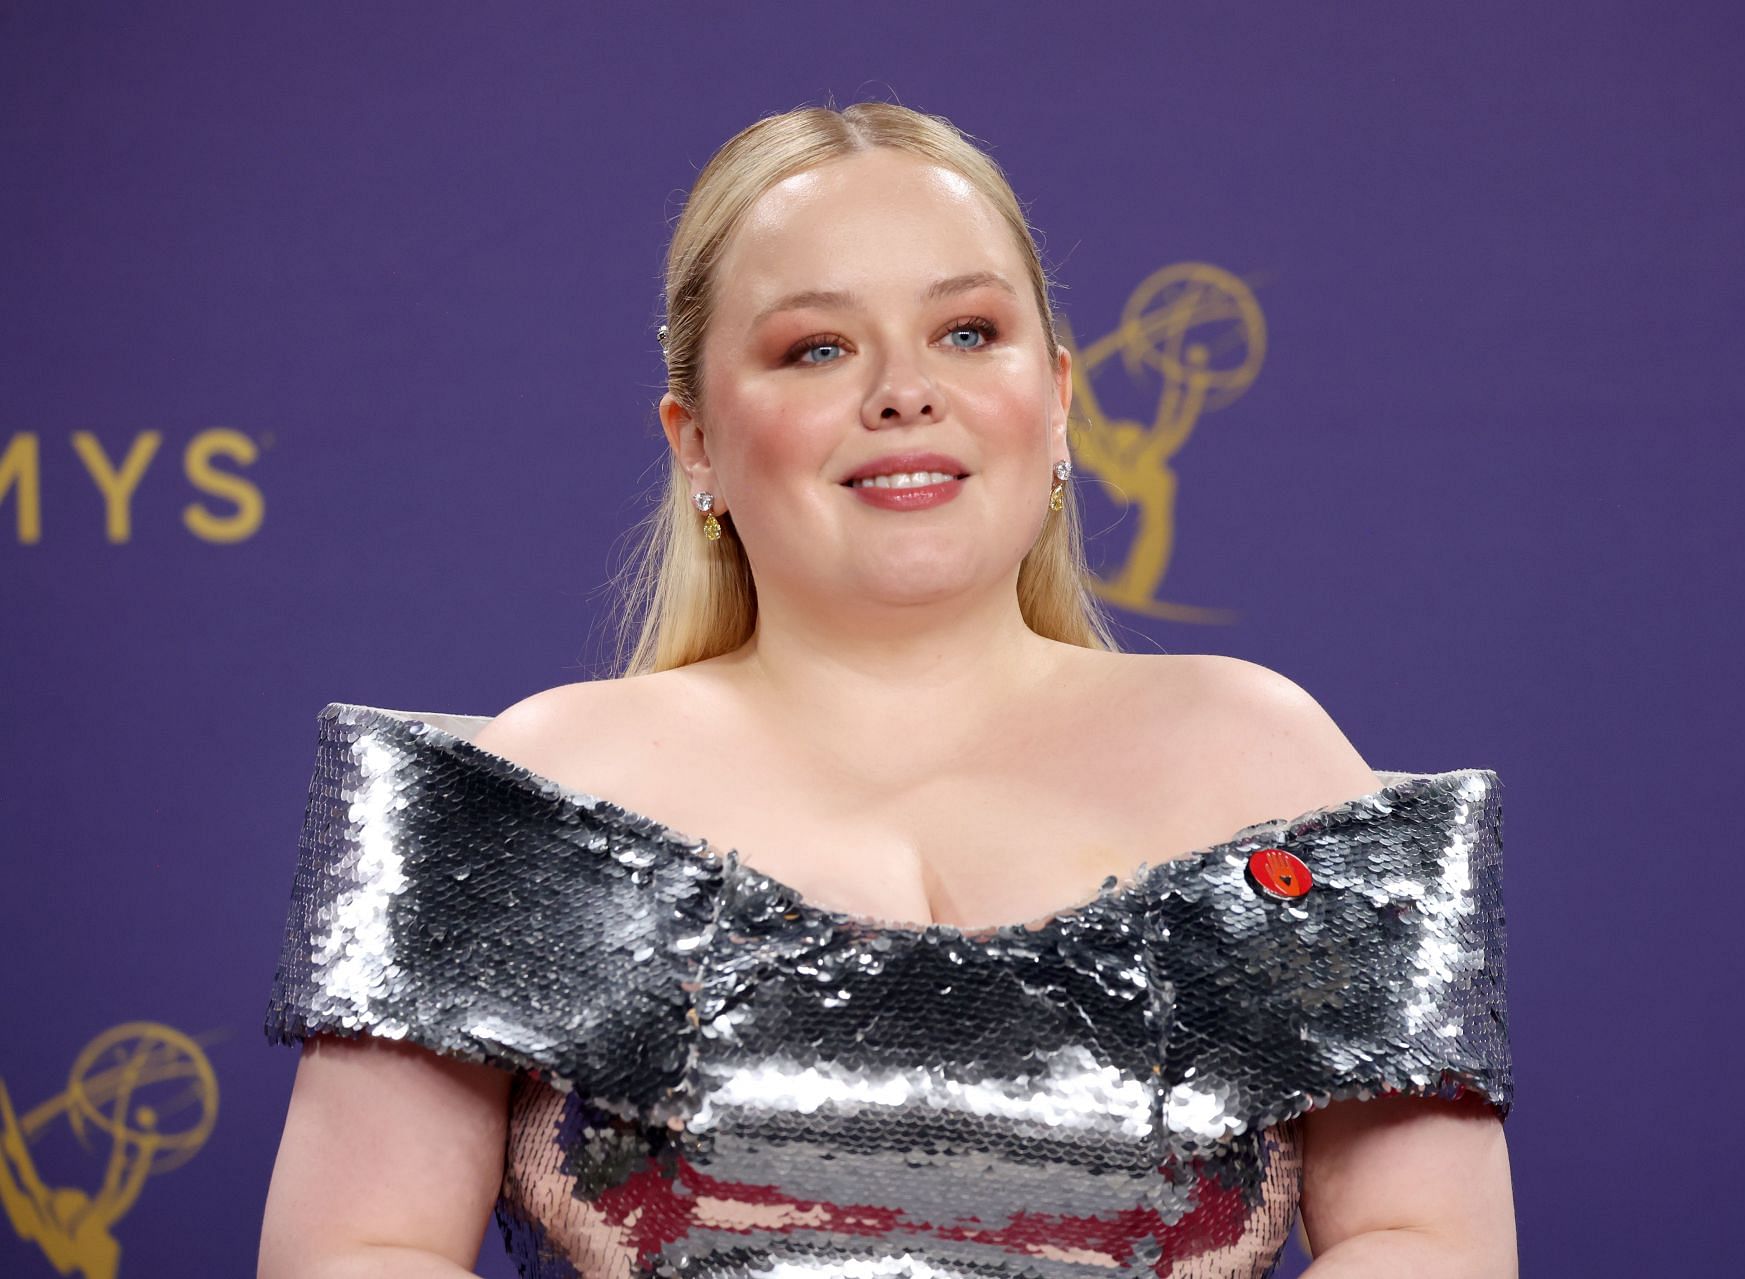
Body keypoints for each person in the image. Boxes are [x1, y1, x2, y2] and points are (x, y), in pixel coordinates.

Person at [257, 102, 1516, 1278]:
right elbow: (356, 1251)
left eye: (967, 331)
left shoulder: (1268, 763)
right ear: (696, 441)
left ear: (1059, 397)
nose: (904, 391)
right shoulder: (535, 789)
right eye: (817, 347)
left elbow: (1427, 1239)